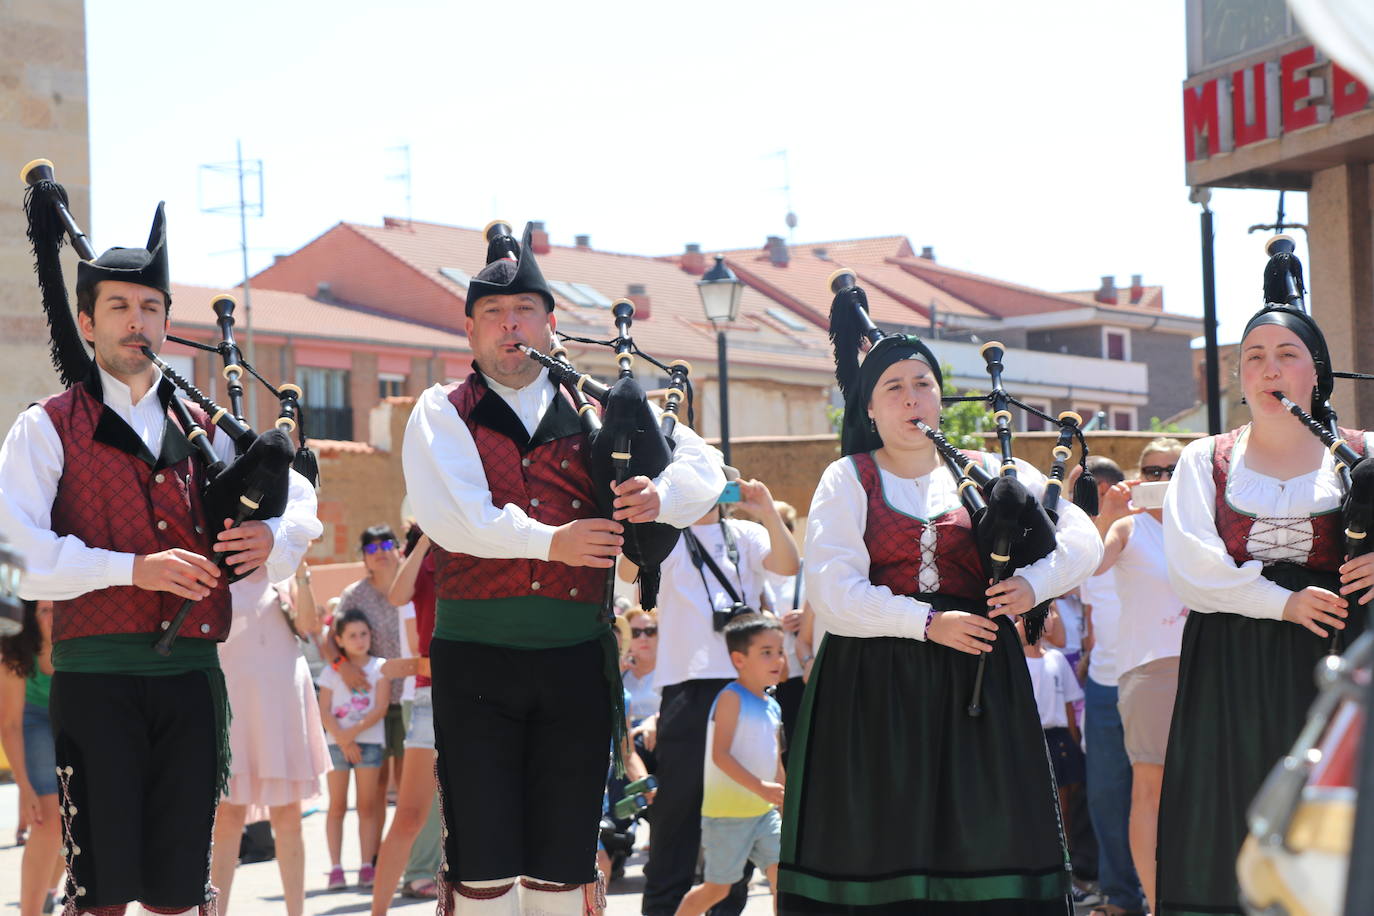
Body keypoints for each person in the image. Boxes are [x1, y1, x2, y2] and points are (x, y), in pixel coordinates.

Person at [401, 222, 725, 915]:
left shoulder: (604, 407)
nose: (510, 325)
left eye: (524, 312)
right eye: (493, 313)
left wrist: (659, 495)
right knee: (483, 862)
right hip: (475, 661)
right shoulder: (440, 412)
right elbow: (455, 518)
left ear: (551, 324)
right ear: (469, 330)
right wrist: (556, 543)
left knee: (564, 859)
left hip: (575, 658)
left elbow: (708, 469)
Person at [0, 204, 307, 916]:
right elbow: (13, 560)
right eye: (118, 307)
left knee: (178, 894)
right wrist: (131, 569)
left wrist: (275, 542)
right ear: (86, 322)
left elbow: (300, 503)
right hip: (96, 680)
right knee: (101, 893)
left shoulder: (208, 427)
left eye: (150, 307)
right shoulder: (45, 428)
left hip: (191, 683)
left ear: (166, 321)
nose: (136, 320)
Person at [777, 327, 1102, 914]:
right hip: (871, 688)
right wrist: (927, 623)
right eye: (893, 387)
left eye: (923, 384)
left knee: (983, 836)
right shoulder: (847, 478)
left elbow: (1082, 541)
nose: (911, 398)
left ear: (940, 398)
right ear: (869, 409)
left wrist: (1032, 585)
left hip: (980, 685)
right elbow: (831, 588)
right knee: (881, 839)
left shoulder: (992, 469)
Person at [1158, 304, 1372, 916]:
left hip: (1344, 658)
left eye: (1287, 355)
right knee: (1232, 801)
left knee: (1338, 804)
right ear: (1239, 377)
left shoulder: (1364, 453)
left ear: (1316, 372)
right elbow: (1192, 569)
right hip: (1233, 667)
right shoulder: (1206, 459)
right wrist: (1283, 602)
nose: (1269, 368)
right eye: (1254, 357)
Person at [635, 479, 800, 916]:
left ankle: (729, 907)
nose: (708, 491)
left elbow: (788, 565)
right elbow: (626, 572)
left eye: (715, 482)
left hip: (745, 685)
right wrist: (656, 506)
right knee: (677, 817)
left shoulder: (745, 534)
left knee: (743, 811)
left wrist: (764, 508)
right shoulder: (665, 536)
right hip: (687, 689)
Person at [209, 514, 325, 915]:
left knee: (288, 816)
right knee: (228, 818)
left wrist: (302, 569)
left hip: (281, 702)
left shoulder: (284, 571)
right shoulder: (218, 572)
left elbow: (309, 626)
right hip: (234, 705)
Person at [1093, 439, 1187, 915]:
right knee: (1148, 788)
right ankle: (1155, 905)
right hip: (1149, 670)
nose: (1162, 479)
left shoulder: (1203, 524)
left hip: (1207, 668)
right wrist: (1106, 516)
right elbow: (1092, 563)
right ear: (1139, 475)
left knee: (1203, 787)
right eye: (1152, 470)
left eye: (1173, 470)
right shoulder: (1127, 526)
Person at [674, 614, 786, 916]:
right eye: (766, 652)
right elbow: (720, 756)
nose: (778, 659)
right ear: (739, 659)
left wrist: (783, 803)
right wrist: (761, 788)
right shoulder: (730, 699)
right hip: (727, 817)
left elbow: (774, 760)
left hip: (764, 815)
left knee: (785, 881)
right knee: (717, 889)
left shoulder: (772, 705)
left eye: (779, 651)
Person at [1077, 456, 1147, 916]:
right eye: (1086, 496)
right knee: (1106, 798)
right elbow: (1089, 615)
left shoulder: (1153, 532)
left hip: (1155, 680)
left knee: (1157, 795)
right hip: (1104, 686)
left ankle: (1165, 892)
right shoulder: (1083, 546)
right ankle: (1121, 897)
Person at [371, 526, 444, 908]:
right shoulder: (427, 553)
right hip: (432, 695)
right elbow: (398, 595)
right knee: (411, 815)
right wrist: (425, 540)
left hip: (484, 693)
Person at [333, 524, 408, 861]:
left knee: (408, 785)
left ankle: (406, 856)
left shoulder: (413, 585)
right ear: (363, 557)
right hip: (371, 703)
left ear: (399, 548)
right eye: (371, 549)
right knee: (376, 785)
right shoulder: (355, 595)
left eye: (386, 545)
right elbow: (331, 637)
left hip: (409, 698)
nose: (380, 554)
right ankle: (374, 857)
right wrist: (341, 666)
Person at [318, 608, 391, 890]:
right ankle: (336, 868)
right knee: (336, 806)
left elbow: (381, 707)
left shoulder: (380, 667)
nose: (359, 640)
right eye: (352, 635)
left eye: (363, 634)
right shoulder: (329, 672)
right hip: (337, 746)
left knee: (366, 807)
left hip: (369, 744)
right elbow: (324, 710)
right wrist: (343, 738)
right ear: (340, 639)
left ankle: (365, 866)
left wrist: (352, 734)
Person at [0, 601, 65, 916]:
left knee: (80, 817)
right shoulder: (15, 648)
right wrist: (24, 788)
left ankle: (50, 890)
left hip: (75, 717)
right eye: (43, 610)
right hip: (33, 720)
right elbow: (10, 725)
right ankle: (31, 912)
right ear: (30, 617)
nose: (52, 616)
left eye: (57, 607)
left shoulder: (84, 641)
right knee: (49, 821)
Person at [1019, 615, 1085, 860]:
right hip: (1030, 740)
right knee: (1036, 807)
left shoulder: (1057, 658)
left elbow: (1069, 707)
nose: (1050, 619)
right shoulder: (1015, 660)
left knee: (1065, 808)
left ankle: (1065, 863)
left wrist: (1075, 743)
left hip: (1059, 740)